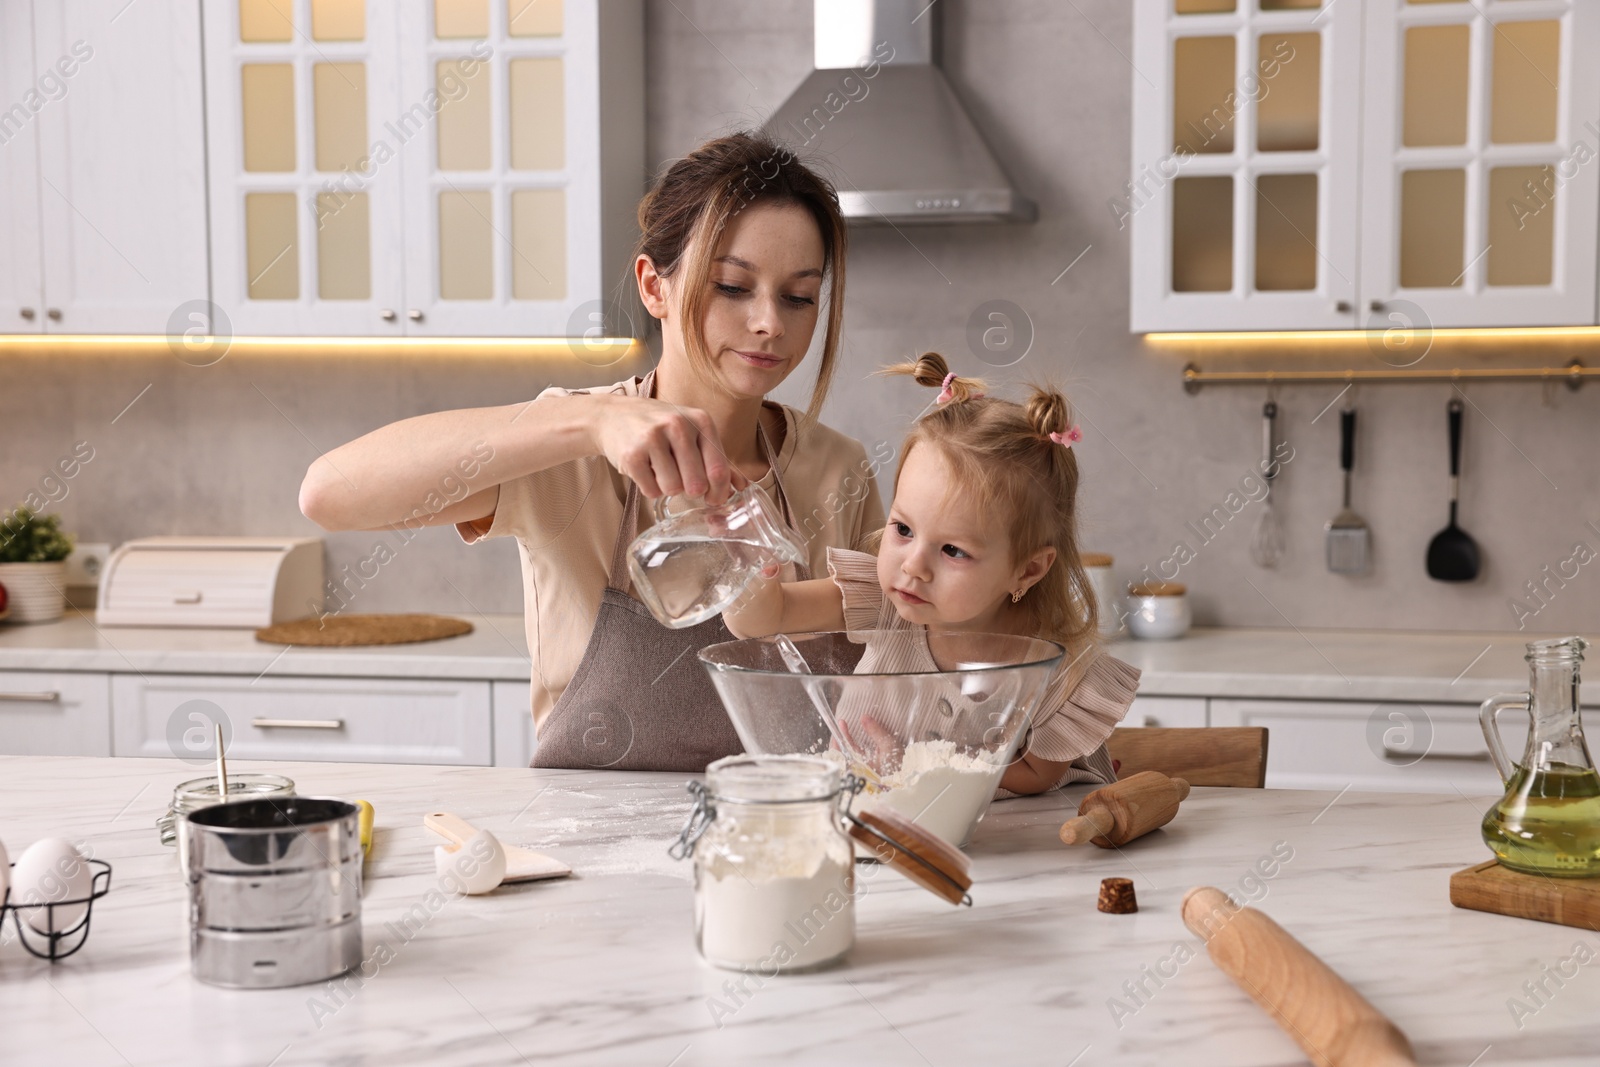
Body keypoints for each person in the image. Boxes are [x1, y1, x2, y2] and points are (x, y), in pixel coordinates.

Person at [299, 132, 886, 772]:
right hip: (588, 847)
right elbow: (330, 493)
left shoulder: (838, 470)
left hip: (780, 834)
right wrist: (587, 418)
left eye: (799, 296)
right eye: (731, 286)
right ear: (653, 286)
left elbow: (893, 661)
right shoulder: (572, 453)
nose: (771, 321)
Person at [723, 352, 1140, 795]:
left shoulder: (1057, 666)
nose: (913, 566)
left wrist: (916, 768)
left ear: (1028, 570)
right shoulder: (884, 602)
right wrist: (751, 573)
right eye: (902, 529)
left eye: (954, 551)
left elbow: (1036, 779)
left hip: (1020, 843)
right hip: (877, 828)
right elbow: (762, 620)